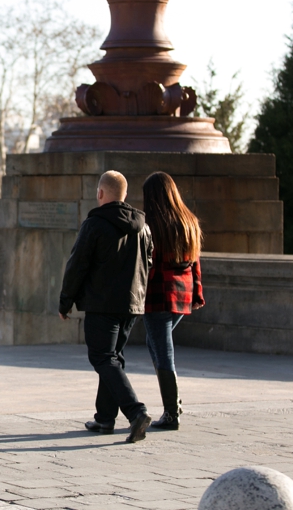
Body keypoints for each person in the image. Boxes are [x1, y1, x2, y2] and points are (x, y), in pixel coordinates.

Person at [59, 170, 153, 443]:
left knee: (102, 357)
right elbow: (148, 264)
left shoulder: (95, 224)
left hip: (102, 305)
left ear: (101, 193)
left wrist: (66, 302)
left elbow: (77, 265)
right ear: (124, 195)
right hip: (131, 305)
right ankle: (104, 419)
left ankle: (136, 412)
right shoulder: (143, 227)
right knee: (113, 358)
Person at [141, 171, 205, 430]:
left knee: (163, 351)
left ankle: (171, 412)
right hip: (183, 294)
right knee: (156, 343)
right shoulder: (189, 221)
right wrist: (198, 294)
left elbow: (150, 265)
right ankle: (172, 406)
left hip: (158, 296)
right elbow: (196, 261)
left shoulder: (152, 225)